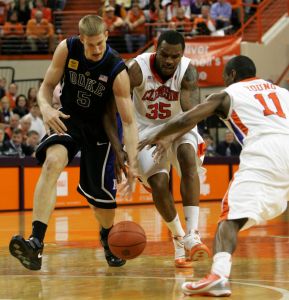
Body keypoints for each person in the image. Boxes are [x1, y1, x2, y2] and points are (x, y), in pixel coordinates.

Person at [138, 55, 289, 296]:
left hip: (265, 150)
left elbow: (190, 117)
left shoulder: (227, 94)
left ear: (230, 76)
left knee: (229, 218)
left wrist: (160, 134)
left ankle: (218, 276)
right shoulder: (282, 92)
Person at [9, 15, 138, 271]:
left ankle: (106, 235)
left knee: (102, 202)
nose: (97, 49)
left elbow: (130, 122)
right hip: (70, 118)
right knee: (52, 162)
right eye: (91, 45)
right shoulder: (67, 49)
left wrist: (132, 162)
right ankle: (36, 242)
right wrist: (46, 108)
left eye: (100, 43)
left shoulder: (116, 68)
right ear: (82, 39)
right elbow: (46, 86)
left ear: (106, 37)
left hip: (102, 130)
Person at [128, 30, 209, 268]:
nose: (169, 61)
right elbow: (116, 103)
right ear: (156, 48)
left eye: (175, 56)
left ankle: (193, 234)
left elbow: (192, 115)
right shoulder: (136, 68)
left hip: (179, 125)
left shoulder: (187, 70)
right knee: (160, 184)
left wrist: (169, 135)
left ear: (181, 55)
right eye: (164, 54)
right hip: (144, 131)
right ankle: (178, 237)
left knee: (186, 156)